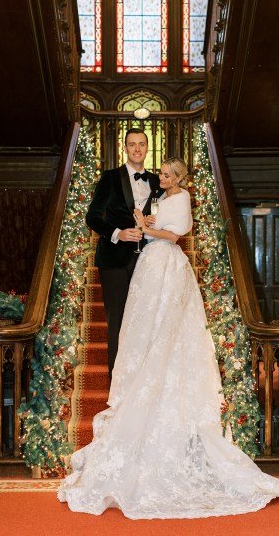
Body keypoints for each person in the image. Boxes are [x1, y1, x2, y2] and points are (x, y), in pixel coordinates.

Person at [58, 157, 279, 519]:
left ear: (177, 177)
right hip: (148, 263)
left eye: (165, 173)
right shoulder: (161, 197)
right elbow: (147, 221)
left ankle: (160, 375)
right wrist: (144, 223)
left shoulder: (180, 198)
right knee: (140, 326)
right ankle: (143, 371)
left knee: (167, 326)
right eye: (160, 172)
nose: (159, 176)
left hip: (165, 262)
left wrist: (148, 230)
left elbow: (177, 234)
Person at [85, 128, 161, 376]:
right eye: (132, 144)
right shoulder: (109, 178)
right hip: (114, 259)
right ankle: (116, 381)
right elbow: (93, 217)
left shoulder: (157, 181)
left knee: (145, 318)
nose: (137, 149)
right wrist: (118, 233)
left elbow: (164, 216)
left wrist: (154, 223)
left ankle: (140, 378)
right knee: (117, 318)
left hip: (149, 257)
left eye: (141, 144)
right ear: (124, 148)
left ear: (147, 148)